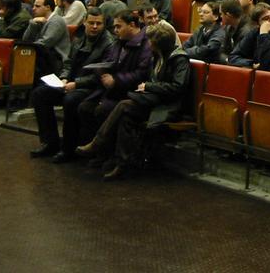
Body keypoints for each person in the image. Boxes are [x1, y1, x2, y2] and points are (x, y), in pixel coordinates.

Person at [77, 22, 190, 180]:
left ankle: (98, 144)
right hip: (153, 100)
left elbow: (178, 87)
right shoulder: (157, 56)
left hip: (168, 106)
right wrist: (148, 87)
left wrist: (149, 86)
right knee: (126, 117)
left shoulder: (179, 59)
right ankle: (121, 164)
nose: (148, 44)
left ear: (159, 44)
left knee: (124, 105)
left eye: (151, 41)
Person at [28, 8, 114, 161]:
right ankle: (49, 142)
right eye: (91, 23)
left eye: (98, 23)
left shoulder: (109, 44)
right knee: (39, 94)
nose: (94, 26)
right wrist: (64, 78)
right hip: (70, 83)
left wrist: (76, 84)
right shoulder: (79, 38)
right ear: (84, 22)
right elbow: (68, 63)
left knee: (70, 100)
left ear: (104, 24)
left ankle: (68, 148)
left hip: (91, 88)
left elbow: (101, 75)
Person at [77, 10, 154, 149]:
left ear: (132, 25)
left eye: (119, 26)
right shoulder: (119, 42)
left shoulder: (146, 44)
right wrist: (101, 71)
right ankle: (93, 151)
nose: (115, 30)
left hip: (129, 93)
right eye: (114, 27)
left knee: (102, 110)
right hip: (111, 90)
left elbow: (141, 74)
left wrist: (116, 80)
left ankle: (103, 152)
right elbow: (108, 61)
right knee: (84, 107)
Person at [229, 3, 270, 69]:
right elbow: (233, 57)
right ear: (257, 24)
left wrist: (264, 35)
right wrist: (251, 64)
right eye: (266, 19)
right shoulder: (254, 33)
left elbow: (268, 65)